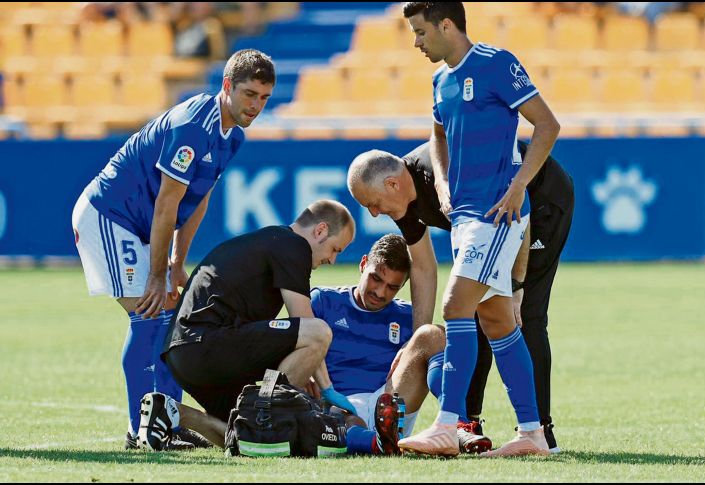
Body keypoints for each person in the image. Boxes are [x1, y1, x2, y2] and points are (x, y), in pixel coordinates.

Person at [71, 48, 275, 449]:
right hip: (109, 217)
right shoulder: (193, 128)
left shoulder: (231, 135)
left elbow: (197, 199)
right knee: (152, 315)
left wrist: (177, 262)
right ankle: (141, 429)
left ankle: (164, 421)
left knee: (169, 319)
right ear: (227, 86)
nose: (256, 106)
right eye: (250, 94)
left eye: (264, 98)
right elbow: (167, 204)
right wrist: (155, 272)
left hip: (141, 226)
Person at [396, 2, 561, 457]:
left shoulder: (496, 64)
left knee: (455, 306)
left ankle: (449, 423)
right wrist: (444, 181)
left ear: (446, 24)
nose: (416, 42)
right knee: (496, 320)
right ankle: (532, 433)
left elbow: (547, 125)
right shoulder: (440, 81)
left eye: (421, 31)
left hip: (496, 215)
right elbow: (438, 134)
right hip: (465, 219)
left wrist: (519, 186)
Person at [348, 140, 573, 454]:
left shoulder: (450, 175)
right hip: (494, 223)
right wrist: (418, 341)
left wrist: (516, 287)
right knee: (471, 312)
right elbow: (424, 268)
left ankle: (541, 434)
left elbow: (520, 210)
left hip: (538, 203)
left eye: (371, 203)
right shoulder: (400, 198)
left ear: (392, 183)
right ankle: (467, 426)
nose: (373, 214)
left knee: (524, 319)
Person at [136, 200, 356, 451]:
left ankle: (172, 411)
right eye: (335, 249)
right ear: (320, 231)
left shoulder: (269, 240)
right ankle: (270, 416)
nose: (333, 260)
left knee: (246, 439)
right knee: (319, 331)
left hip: (183, 354)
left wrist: (305, 362)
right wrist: (327, 389)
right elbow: (306, 323)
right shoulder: (293, 245)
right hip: (206, 344)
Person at [309, 234, 448, 455]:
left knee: (432, 334)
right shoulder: (323, 301)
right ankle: (378, 443)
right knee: (344, 417)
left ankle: (452, 421)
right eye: (376, 278)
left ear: (403, 285)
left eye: (392, 287)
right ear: (363, 264)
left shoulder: (408, 316)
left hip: (390, 402)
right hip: (338, 402)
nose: (380, 292)